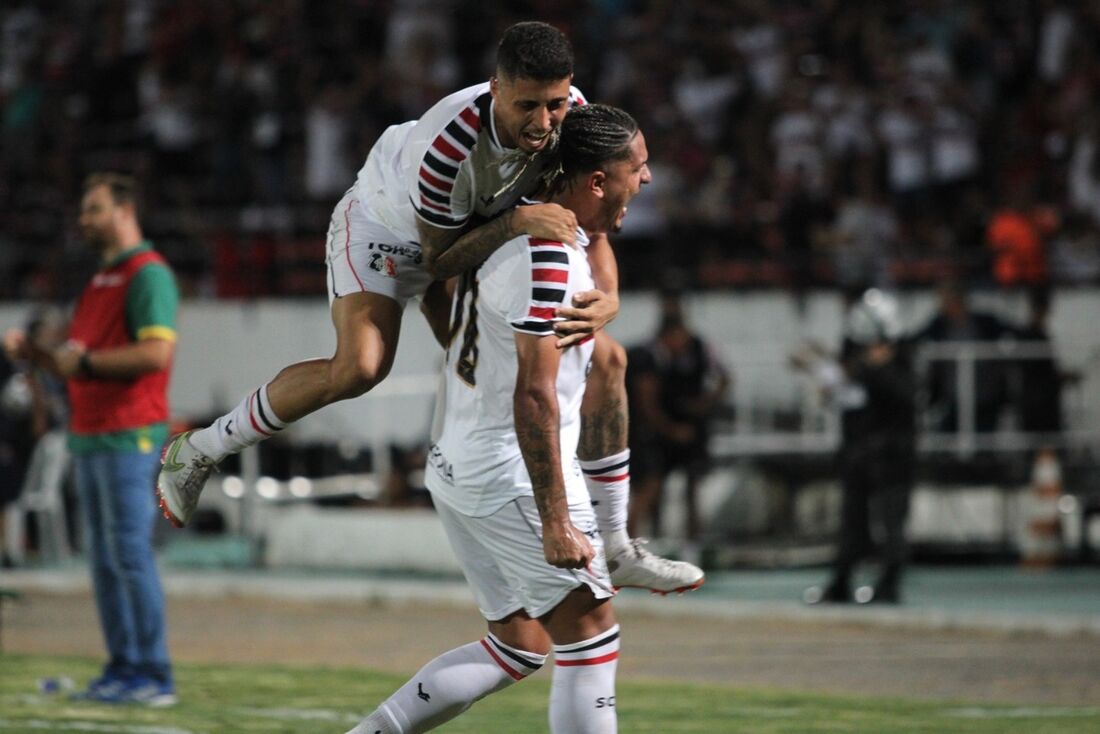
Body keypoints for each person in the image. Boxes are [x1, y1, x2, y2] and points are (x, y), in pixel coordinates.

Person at [157, 21, 701, 593]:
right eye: (528, 106)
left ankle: (613, 543)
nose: (544, 123)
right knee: (361, 367)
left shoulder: (572, 117)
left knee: (595, 360)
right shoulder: (447, 145)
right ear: (495, 89)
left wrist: (609, 296)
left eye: (555, 104)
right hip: (389, 229)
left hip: (478, 229)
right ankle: (200, 449)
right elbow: (438, 260)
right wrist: (517, 220)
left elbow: (594, 212)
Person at [346, 102, 644, 734]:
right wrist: (557, 519)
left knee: (519, 642)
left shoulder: (504, 226)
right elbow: (534, 396)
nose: (645, 180)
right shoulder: (552, 256)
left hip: (458, 461)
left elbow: (437, 284)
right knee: (589, 633)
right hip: (507, 474)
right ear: (596, 181)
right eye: (637, 168)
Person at [3, 173, 178, 703]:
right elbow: (71, 362)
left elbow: (156, 355)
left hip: (129, 436)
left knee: (127, 556)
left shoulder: (148, 275)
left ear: (125, 211)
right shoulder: (102, 280)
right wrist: (33, 354)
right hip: (92, 436)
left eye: (94, 209)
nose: (83, 220)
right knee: (105, 562)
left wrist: (87, 361)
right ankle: (124, 668)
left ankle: (153, 674)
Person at [794, 289, 916, 604]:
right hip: (860, 452)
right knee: (852, 524)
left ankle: (888, 586)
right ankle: (841, 583)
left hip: (891, 454)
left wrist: (874, 369)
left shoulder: (901, 361)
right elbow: (844, 393)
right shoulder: (864, 360)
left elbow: (905, 398)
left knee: (891, 525)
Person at [626, 292, 731, 548]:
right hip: (648, 429)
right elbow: (646, 402)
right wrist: (670, 429)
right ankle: (629, 543)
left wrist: (703, 406)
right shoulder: (648, 356)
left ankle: (665, 540)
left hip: (669, 426)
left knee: (681, 481)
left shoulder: (698, 347)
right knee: (649, 484)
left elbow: (723, 376)